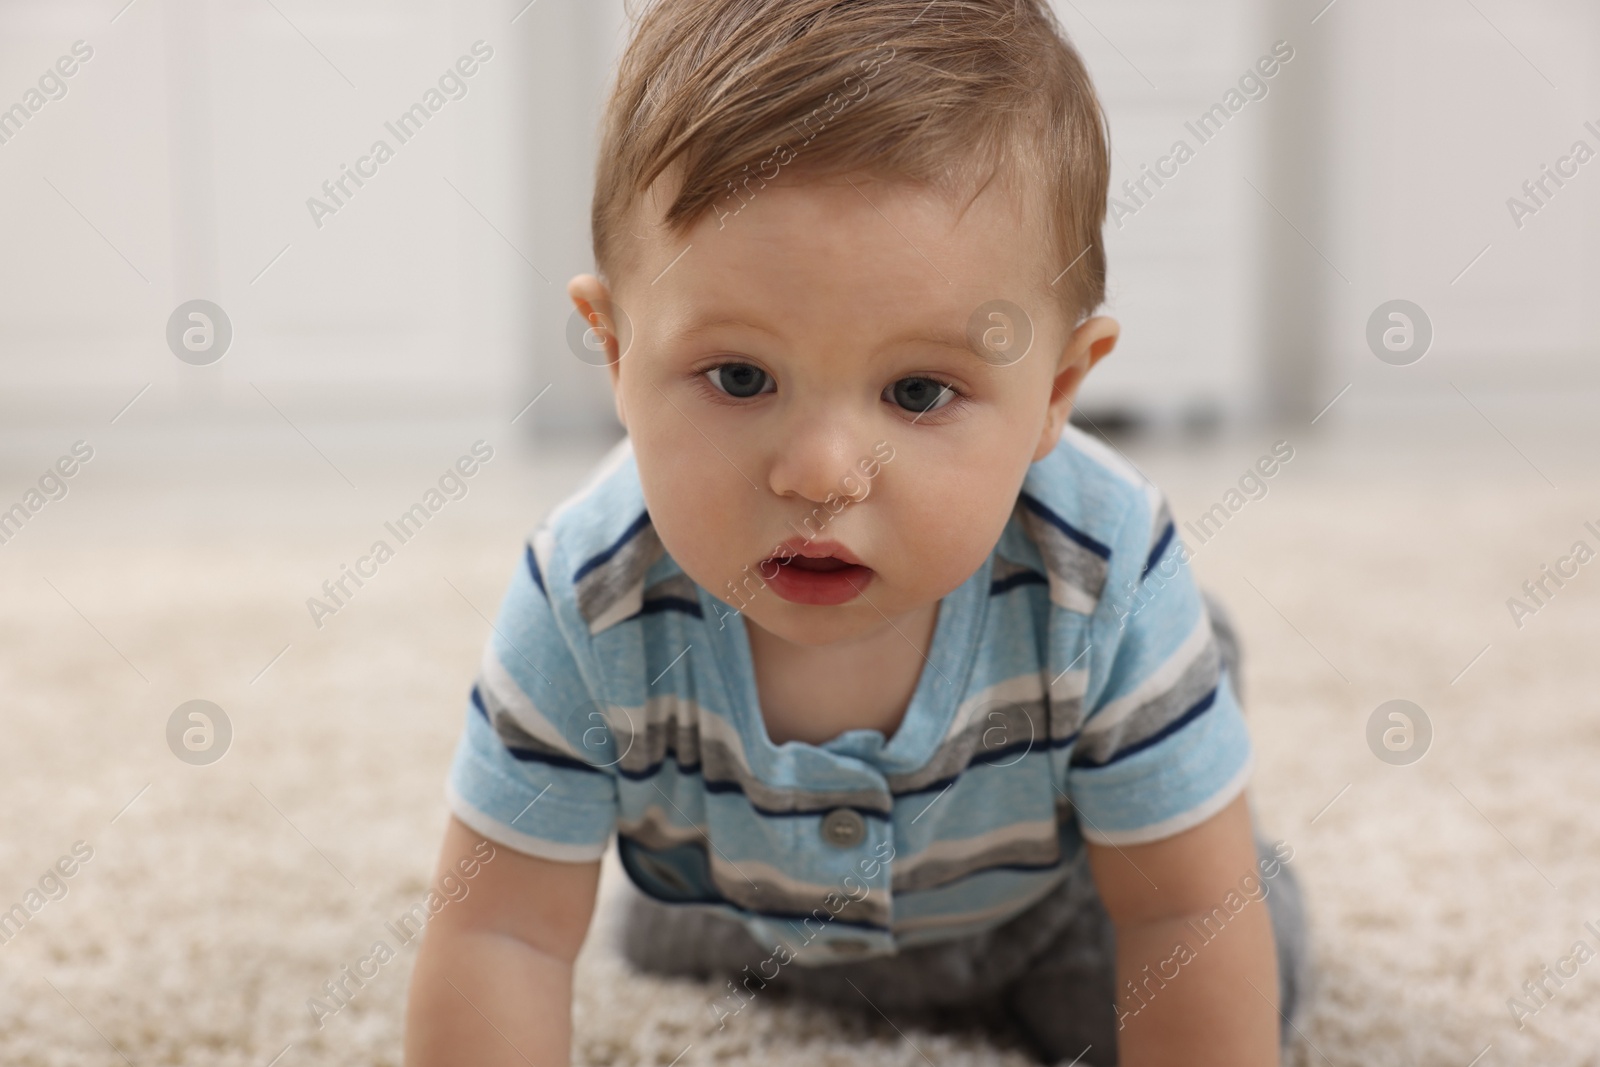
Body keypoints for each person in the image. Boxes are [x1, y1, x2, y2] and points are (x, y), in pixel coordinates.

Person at [404, 2, 1312, 1063]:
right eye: (739, 377)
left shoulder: (1101, 571)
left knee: (1189, 974)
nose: (822, 475)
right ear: (613, 353)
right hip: (745, 891)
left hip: (1051, 898)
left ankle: (1191, 738)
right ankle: (717, 894)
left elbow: (1183, 915)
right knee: (674, 927)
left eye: (918, 391)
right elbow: (499, 927)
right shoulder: (584, 593)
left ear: (1057, 387)